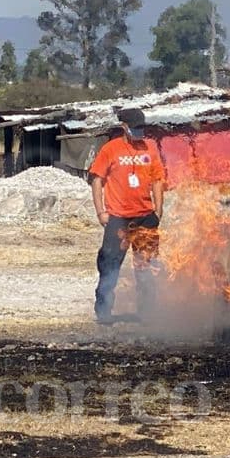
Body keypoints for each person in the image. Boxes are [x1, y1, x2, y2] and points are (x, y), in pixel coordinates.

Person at [89, 108, 166, 324]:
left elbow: (158, 180)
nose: (139, 133)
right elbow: (97, 180)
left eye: (142, 128)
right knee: (110, 265)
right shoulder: (110, 149)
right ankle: (104, 313)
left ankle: (148, 313)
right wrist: (100, 211)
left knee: (146, 267)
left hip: (145, 217)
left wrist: (158, 210)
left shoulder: (150, 148)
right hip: (118, 219)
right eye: (135, 128)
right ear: (124, 127)